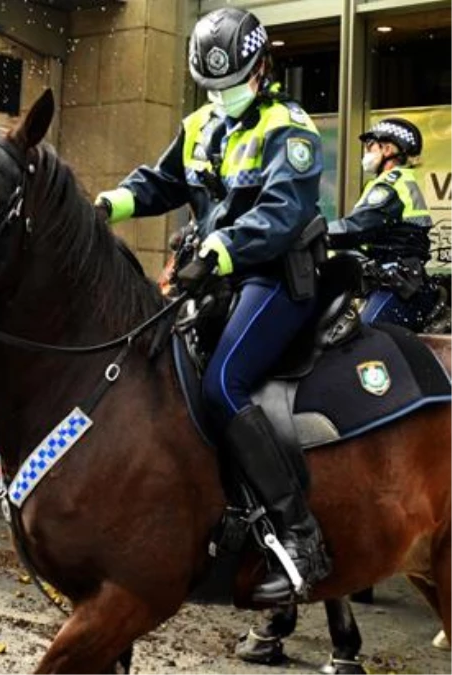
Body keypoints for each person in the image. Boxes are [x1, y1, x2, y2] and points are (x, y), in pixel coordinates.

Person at [95, 7, 328, 602]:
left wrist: (218, 250)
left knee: (223, 384)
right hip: (215, 280)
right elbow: (162, 181)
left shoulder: (290, 127)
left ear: (263, 68)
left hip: (273, 277)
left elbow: (281, 214)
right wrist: (110, 204)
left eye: (233, 84)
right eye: (212, 87)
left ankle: (300, 535)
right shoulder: (200, 124)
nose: (222, 96)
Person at [329, 118, 436, 331]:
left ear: (387, 149)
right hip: (394, 281)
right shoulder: (396, 182)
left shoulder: (391, 185)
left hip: (398, 286)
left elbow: (359, 227)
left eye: (370, 146)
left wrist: (315, 233)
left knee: (363, 339)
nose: (366, 153)